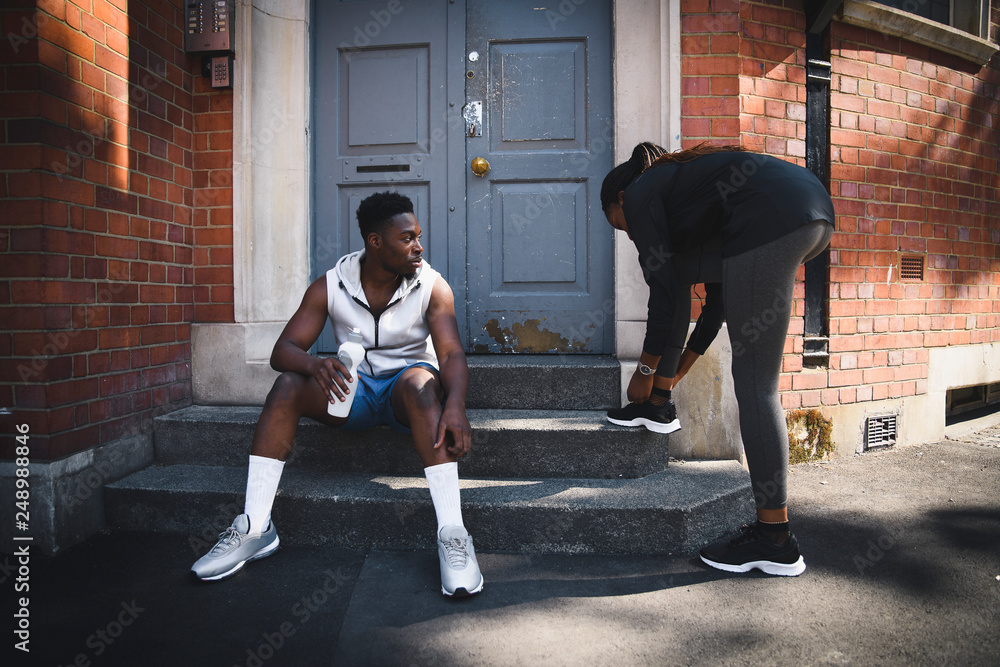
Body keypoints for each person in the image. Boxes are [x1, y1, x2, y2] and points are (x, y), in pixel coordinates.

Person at [191, 192, 484, 597]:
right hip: (355, 395)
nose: (418, 246)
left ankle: (453, 535)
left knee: (420, 385)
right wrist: (313, 365)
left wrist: (455, 406)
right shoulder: (331, 285)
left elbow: (450, 353)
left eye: (418, 236)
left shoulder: (432, 286)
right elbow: (283, 351)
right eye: (407, 238)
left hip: (409, 397)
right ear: (375, 242)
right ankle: (255, 528)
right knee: (288, 384)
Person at [601, 142, 835, 576]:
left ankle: (775, 539)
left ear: (619, 199)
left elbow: (664, 294)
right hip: (812, 210)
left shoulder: (638, 194)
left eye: (621, 226)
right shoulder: (695, 200)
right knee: (686, 281)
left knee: (755, 385)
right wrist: (669, 383)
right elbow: (714, 304)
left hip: (776, 218)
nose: (631, 233)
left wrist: (644, 372)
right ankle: (657, 406)